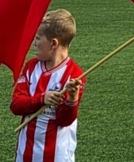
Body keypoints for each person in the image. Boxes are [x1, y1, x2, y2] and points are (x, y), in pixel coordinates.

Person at [11, 9, 85, 162]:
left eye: (38, 38)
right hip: (26, 153)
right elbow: (16, 106)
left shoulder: (75, 75)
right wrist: (42, 99)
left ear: (53, 43)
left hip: (57, 156)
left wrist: (72, 98)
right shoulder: (31, 67)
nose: (34, 43)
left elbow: (64, 120)